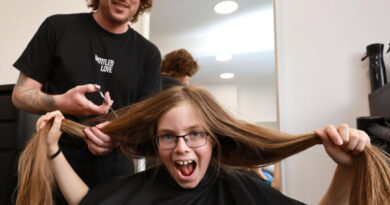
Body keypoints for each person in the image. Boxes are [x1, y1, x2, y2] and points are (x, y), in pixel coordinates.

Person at [17, 86, 390, 205]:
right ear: (157, 142)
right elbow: (87, 203)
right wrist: (52, 150)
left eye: (195, 134)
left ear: (213, 139)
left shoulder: (241, 190)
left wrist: (345, 166)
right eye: (169, 136)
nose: (182, 148)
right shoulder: (138, 190)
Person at [11, 0, 161, 203]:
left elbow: (149, 124)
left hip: (114, 179)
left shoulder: (148, 55)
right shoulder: (57, 28)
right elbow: (20, 94)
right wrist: (61, 102)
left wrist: (118, 136)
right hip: (51, 167)